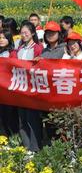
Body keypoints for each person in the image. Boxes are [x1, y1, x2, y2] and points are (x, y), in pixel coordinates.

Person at [16, 21, 44, 152]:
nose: (24, 35)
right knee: (22, 118)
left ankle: (35, 147)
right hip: (20, 87)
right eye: (22, 33)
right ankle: (27, 145)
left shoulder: (37, 48)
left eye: (26, 32)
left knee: (33, 118)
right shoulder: (20, 49)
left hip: (32, 88)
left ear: (33, 33)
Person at [0, 30, 19, 137]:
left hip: (9, 90)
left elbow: (15, 68)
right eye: (0, 38)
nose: (1, 40)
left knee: (10, 116)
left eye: (4, 38)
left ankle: (14, 138)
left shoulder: (12, 53)